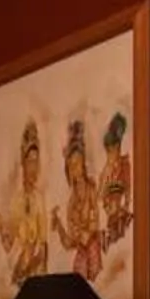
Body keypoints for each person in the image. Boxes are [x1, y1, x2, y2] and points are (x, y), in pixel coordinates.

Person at [0, 118, 49, 292]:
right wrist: (1, 226)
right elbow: (9, 246)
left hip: (36, 270)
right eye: (30, 161)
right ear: (23, 163)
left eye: (36, 162)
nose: (34, 168)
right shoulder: (16, 200)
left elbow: (43, 244)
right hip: (19, 269)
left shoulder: (39, 198)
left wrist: (38, 267)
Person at [51, 116, 102, 282]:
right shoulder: (71, 204)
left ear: (84, 164)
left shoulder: (91, 189)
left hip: (93, 247)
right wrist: (58, 225)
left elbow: (95, 221)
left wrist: (88, 233)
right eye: (71, 166)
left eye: (78, 163)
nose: (75, 169)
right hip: (82, 250)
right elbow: (69, 242)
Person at [101, 108, 134, 254]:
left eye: (112, 151)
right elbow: (101, 195)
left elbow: (128, 189)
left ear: (118, 148)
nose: (110, 156)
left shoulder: (125, 165)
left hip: (121, 212)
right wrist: (107, 207)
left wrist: (124, 206)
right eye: (108, 152)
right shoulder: (106, 172)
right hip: (110, 214)